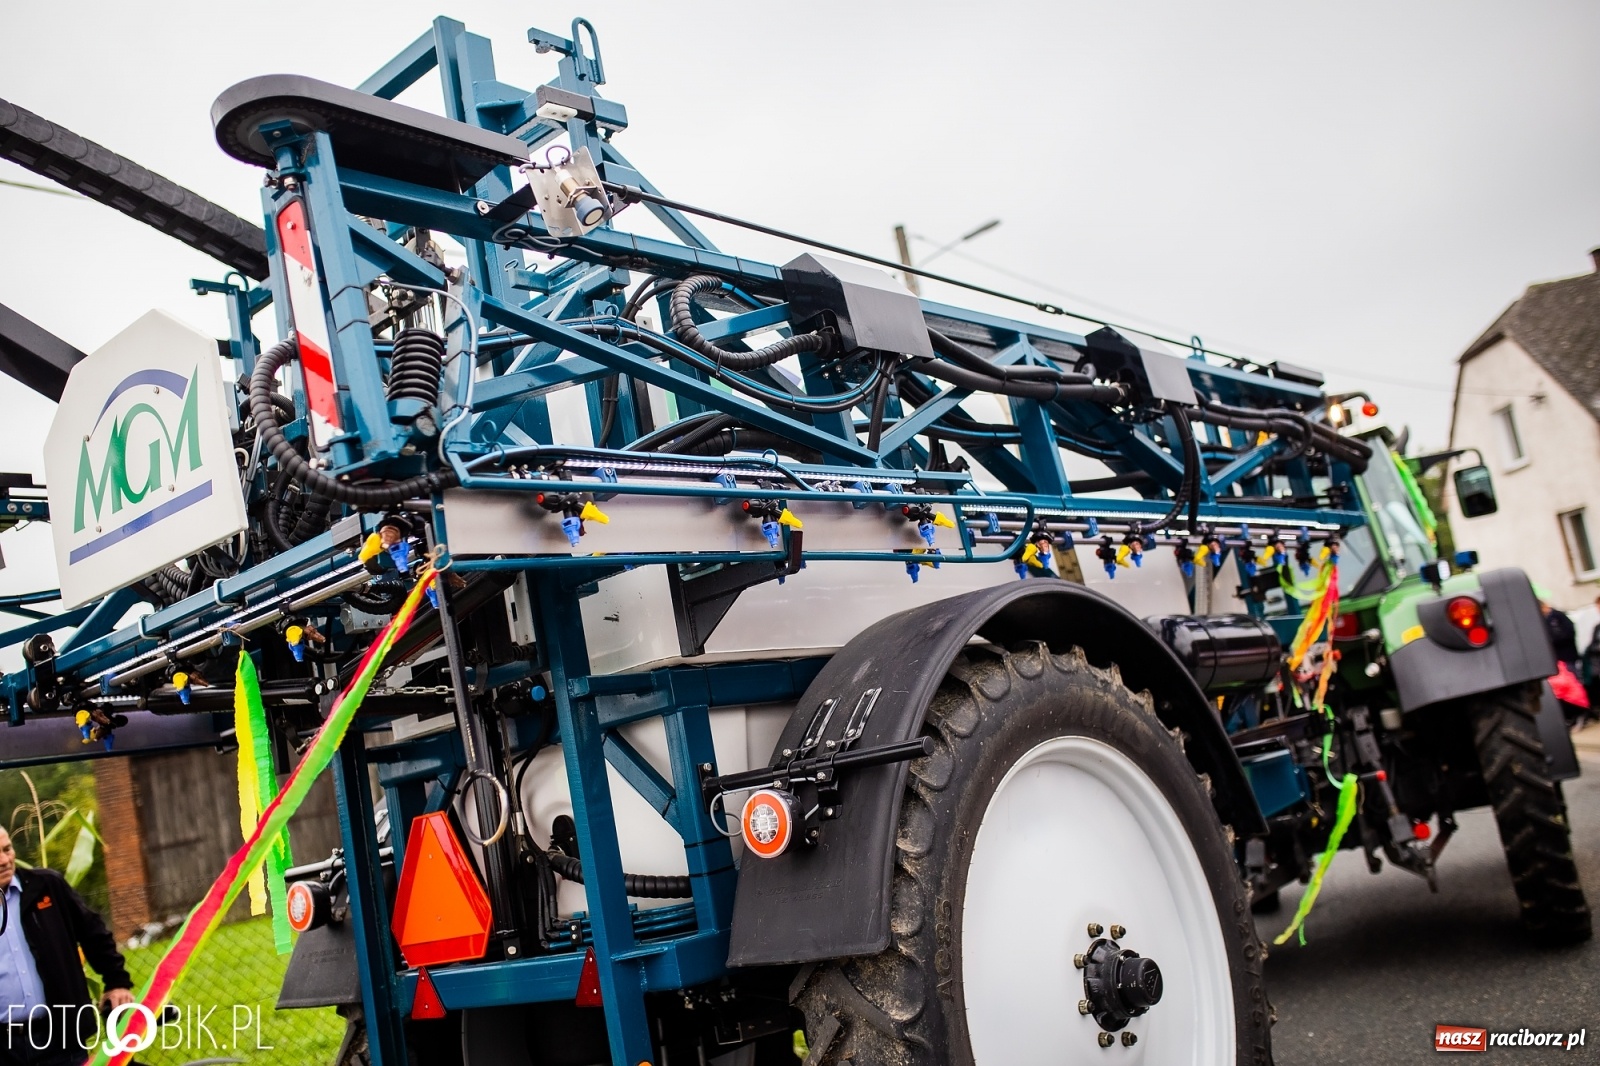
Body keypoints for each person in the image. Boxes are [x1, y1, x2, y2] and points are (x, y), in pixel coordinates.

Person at [0, 826, 132, 1066]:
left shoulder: (47, 886)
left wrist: (117, 982)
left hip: (60, 1038)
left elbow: (93, 933)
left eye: (7, 850)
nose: (4, 860)